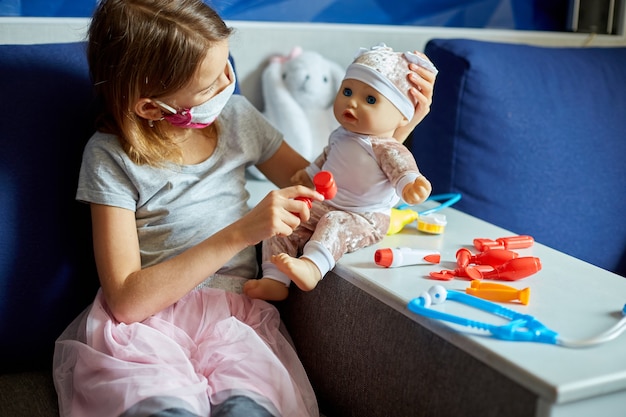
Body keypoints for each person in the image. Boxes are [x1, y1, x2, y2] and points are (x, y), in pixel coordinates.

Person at [52, 0, 435, 415]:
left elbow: (328, 191)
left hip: (235, 322)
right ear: (149, 106)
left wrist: (397, 127)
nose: (227, 87)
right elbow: (127, 301)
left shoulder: (236, 117)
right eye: (209, 85)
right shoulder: (110, 157)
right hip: (146, 329)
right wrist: (242, 232)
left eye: (226, 70)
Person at [244, 44, 438, 301]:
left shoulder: (385, 148)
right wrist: (308, 173)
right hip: (329, 203)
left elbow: (401, 168)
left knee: (335, 223)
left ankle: (313, 267)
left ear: (402, 117)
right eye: (347, 91)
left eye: (370, 99)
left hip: (365, 217)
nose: (352, 103)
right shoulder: (340, 135)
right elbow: (326, 159)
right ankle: (274, 278)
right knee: (287, 216)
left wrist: (411, 186)